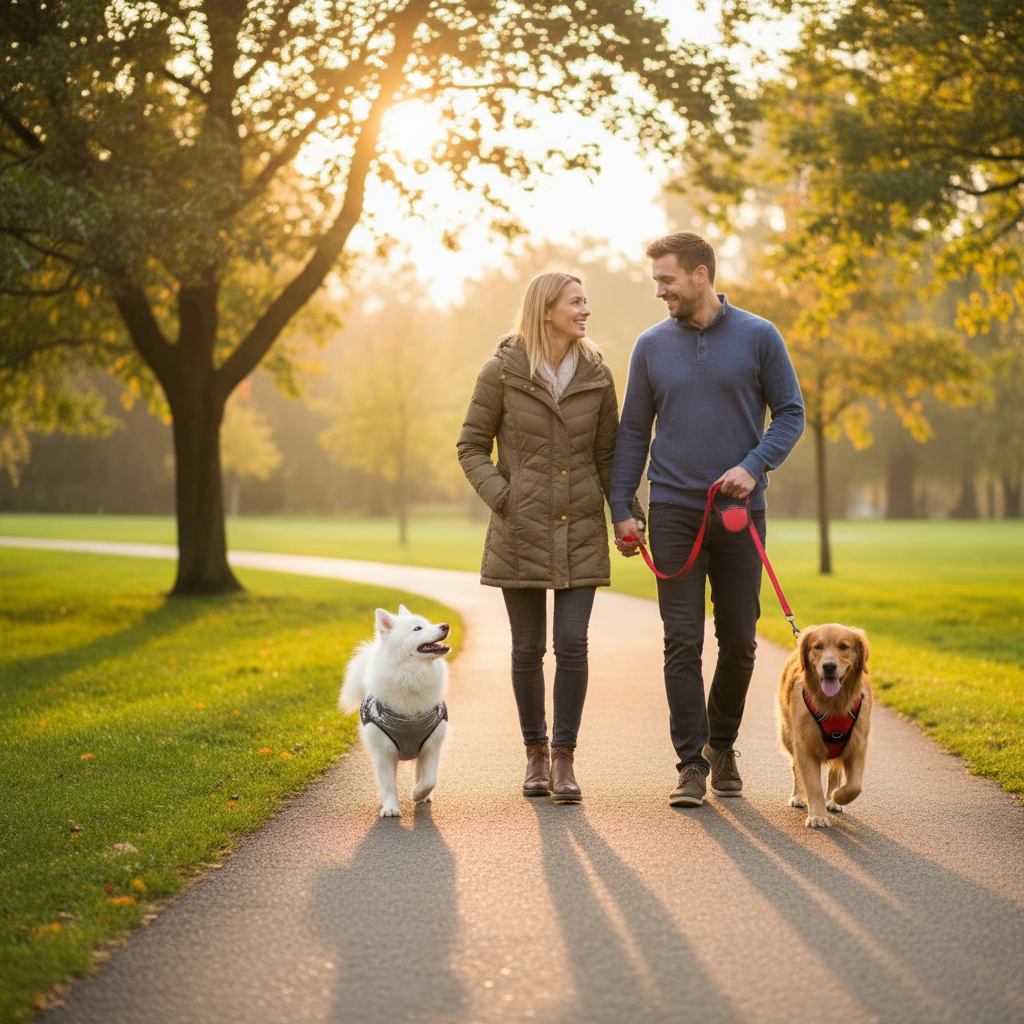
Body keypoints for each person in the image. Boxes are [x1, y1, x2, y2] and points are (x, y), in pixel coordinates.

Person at [610, 232, 804, 807]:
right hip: (672, 511)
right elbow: (631, 432)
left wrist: (753, 465)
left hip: (741, 511)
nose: (660, 291)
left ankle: (723, 745)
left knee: (741, 641)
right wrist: (623, 506)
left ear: (700, 274)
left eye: (666, 280)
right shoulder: (650, 346)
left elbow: (790, 414)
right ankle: (691, 763)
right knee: (681, 641)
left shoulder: (759, 336)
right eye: (656, 282)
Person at [457, 272, 636, 803]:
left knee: (572, 642)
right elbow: (470, 446)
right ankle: (534, 754)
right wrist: (506, 498)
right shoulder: (502, 372)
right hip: (521, 530)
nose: (586, 310)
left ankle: (564, 760)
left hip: (580, 527)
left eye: (586, 301)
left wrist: (625, 514)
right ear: (546, 310)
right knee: (528, 647)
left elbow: (610, 457)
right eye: (576, 302)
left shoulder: (598, 375)